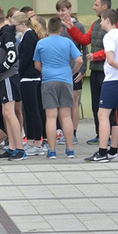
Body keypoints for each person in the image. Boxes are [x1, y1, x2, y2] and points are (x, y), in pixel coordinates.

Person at [85, 9, 118, 163]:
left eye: (102, 19)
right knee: (116, 114)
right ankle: (113, 151)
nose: (100, 23)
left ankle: (102, 152)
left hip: (112, 80)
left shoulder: (109, 36)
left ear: (107, 20)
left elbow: (111, 60)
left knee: (102, 115)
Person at [63, 0, 113, 146]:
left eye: (96, 5)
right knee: (96, 104)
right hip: (95, 70)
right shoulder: (96, 24)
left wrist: (96, 56)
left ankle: (110, 135)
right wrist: (71, 28)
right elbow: (84, 40)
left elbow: (113, 49)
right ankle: (100, 134)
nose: (93, 7)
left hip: (107, 71)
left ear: (104, 7)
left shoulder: (114, 25)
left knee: (107, 105)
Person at [34, 17, 83, 159]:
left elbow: (37, 65)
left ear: (48, 29)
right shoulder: (67, 42)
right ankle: (70, 149)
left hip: (48, 80)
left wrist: (46, 71)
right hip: (65, 80)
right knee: (66, 116)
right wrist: (72, 72)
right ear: (61, 29)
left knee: (50, 116)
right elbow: (79, 60)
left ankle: (52, 150)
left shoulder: (41, 43)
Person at [0, 6, 25, 161]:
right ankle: (12, 147)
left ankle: (20, 149)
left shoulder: (7, 34)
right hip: (3, 78)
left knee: (9, 112)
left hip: (8, 77)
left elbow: (11, 56)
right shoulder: (3, 34)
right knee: (5, 113)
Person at [55, 0, 87, 145]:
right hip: (59, 70)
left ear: (69, 9)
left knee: (73, 101)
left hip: (74, 69)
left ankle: (73, 132)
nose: (61, 13)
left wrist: (82, 69)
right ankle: (62, 131)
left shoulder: (78, 26)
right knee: (60, 102)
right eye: (59, 10)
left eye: (63, 10)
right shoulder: (57, 26)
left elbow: (84, 48)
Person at [15, 12, 45, 156]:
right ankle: (31, 141)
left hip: (29, 78)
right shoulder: (28, 36)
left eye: (15, 25)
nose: (15, 27)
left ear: (22, 24)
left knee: (33, 111)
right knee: (29, 111)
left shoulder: (29, 36)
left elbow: (25, 58)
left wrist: (18, 74)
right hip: (29, 78)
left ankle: (37, 143)